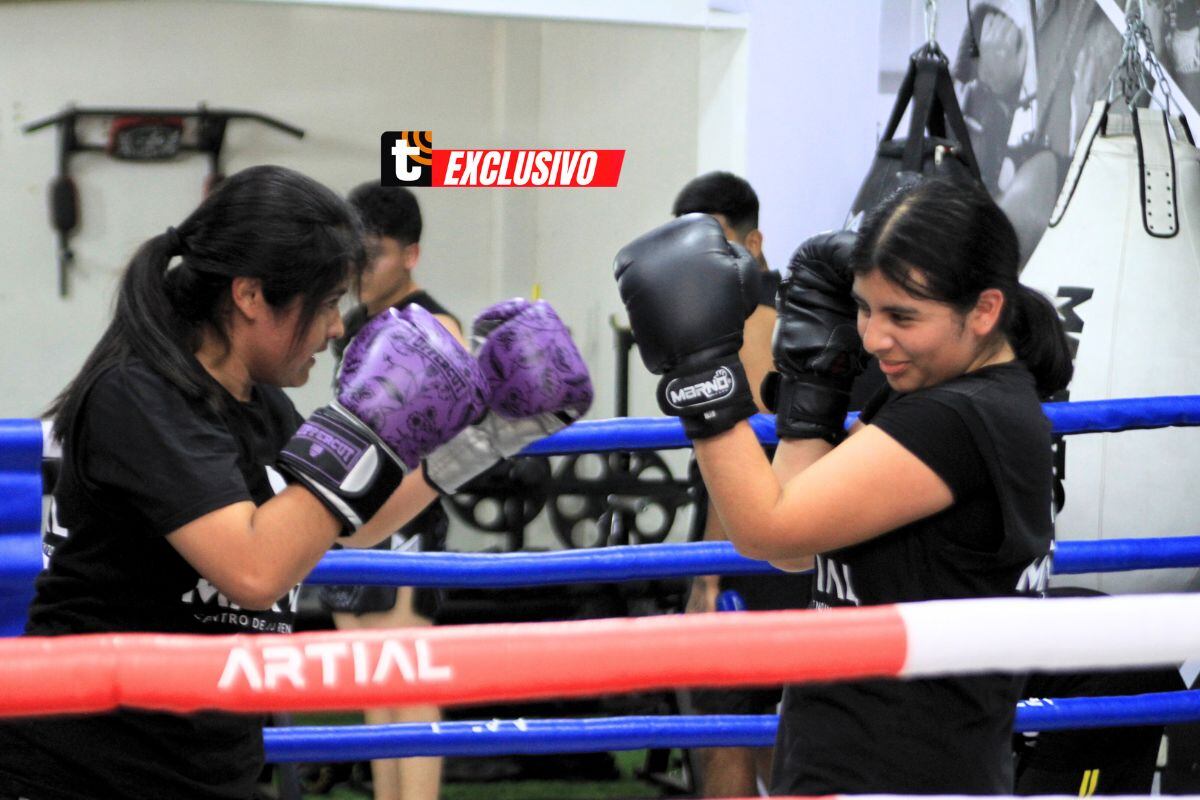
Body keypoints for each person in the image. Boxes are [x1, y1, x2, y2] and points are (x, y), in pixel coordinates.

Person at [0, 165, 592, 800]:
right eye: (328, 302)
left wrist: (483, 440)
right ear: (251, 296)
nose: (337, 327)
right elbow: (256, 570)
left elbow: (352, 524)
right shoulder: (139, 396)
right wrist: (364, 428)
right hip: (84, 772)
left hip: (203, 766)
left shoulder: (262, 404)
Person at [615, 176, 1072, 794]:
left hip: (900, 775)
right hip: (864, 763)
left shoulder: (959, 418)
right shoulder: (932, 393)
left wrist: (702, 374)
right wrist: (815, 383)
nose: (874, 338)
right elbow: (794, 546)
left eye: (902, 316)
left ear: (985, 311)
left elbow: (764, 530)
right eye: (864, 307)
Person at [319, 183, 462, 800]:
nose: (359, 270)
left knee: (408, 684)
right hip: (348, 516)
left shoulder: (435, 324)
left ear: (411, 255)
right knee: (373, 692)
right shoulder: (349, 325)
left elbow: (449, 439)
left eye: (373, 254)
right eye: (353, 255)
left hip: (405, 521)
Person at [671, 171, 808, 797]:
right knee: (777, 726)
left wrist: (707, 575)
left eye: (714, 246)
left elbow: (741, 459)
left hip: (747, 548)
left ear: (753, 244)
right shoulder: (802, 310)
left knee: (725, 726)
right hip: (796, 543)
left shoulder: (751, 318)